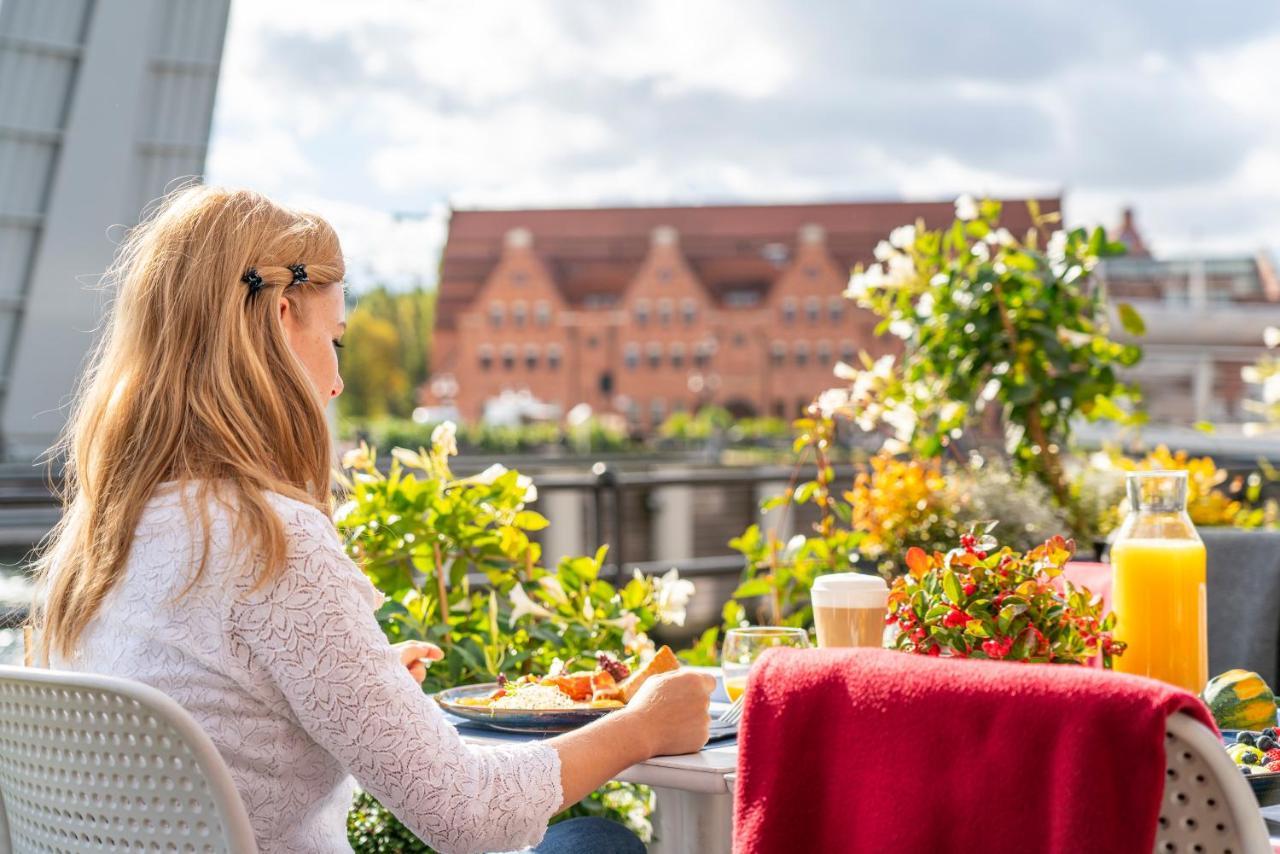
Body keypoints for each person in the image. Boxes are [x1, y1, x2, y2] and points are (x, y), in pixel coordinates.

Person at [31, 186, 714, 853]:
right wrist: (642, 728)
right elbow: (466, 817)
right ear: (280, 317)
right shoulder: (269, 541)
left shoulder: (104, 537)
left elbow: (207, 702)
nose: (336, 382)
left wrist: (351, 674)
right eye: (336, 341)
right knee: (595, 841)